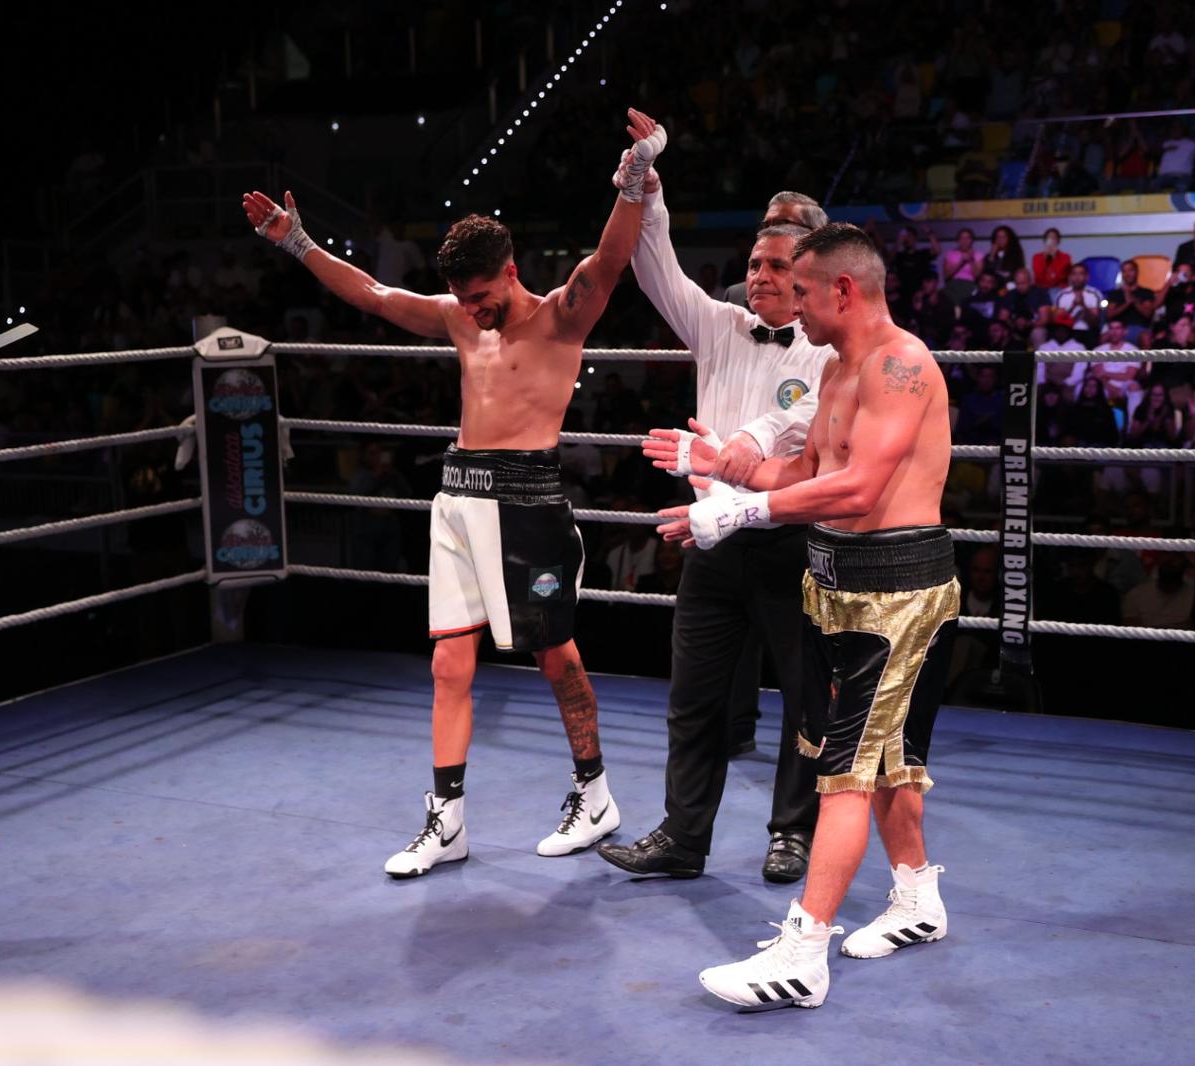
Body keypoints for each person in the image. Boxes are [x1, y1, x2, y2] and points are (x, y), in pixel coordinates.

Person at [240, 107, 668, 876]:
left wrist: (634, 179)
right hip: (458, 497)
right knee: (446, 665)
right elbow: (372, 294)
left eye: (480, 296)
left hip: (529, 503)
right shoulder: (459, 320)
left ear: (509, 269)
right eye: (461, 300)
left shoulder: (560, 319)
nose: (471, 312)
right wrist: (299, 244)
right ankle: (448, 823)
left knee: (556, 656)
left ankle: (595, 792)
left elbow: (608, 260)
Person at [653, 223, 956, 1010]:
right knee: (880, 760)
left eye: (805, 292)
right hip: (837, 585)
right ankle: (918, 900)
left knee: (846, 772)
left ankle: (803, 951)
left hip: (898, 596)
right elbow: (809, 467)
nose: (794, 306)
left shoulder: (901, 365)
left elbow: (857, 489)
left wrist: (748, 511)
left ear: (842, 291)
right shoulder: (838, 369)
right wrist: (724, 472)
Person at [596, 122, 830, 885]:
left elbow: (790, 425)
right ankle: (683, 836)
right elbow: (655, 269)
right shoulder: (720, 324)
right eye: (755, 262)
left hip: (791, 540)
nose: (758, 275)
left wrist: (745, 454)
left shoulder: (827, 353)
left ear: (812, 278)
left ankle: (793, 833)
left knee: (805, 700)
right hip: (708, 540)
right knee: (693, 698)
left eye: (776, 265)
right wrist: (647, 189)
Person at [722, 192, 828, 307]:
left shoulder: (832, 296)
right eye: (766, 225)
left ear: (815, 235)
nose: (770, 232)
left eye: (782, 225)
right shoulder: (735, 295)